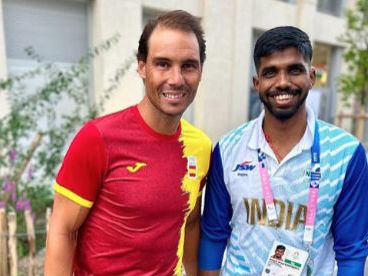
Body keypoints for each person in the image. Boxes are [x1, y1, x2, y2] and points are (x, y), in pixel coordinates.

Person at [45, 10, 212, 275]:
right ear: (142, 66)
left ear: (200, 70)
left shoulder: (201, 147)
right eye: (163, 64)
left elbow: (190, 223)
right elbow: (63, 229)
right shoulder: (98, 139)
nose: (176, 79)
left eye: (188, 65)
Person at [199, 26, 368, 275]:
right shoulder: (228, 149)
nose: (283, 82)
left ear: (311, 76)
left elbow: (352, 249)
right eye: (270, 72)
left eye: (294, 70)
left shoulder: (346, 153)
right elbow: (213, 235)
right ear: (257, 83)